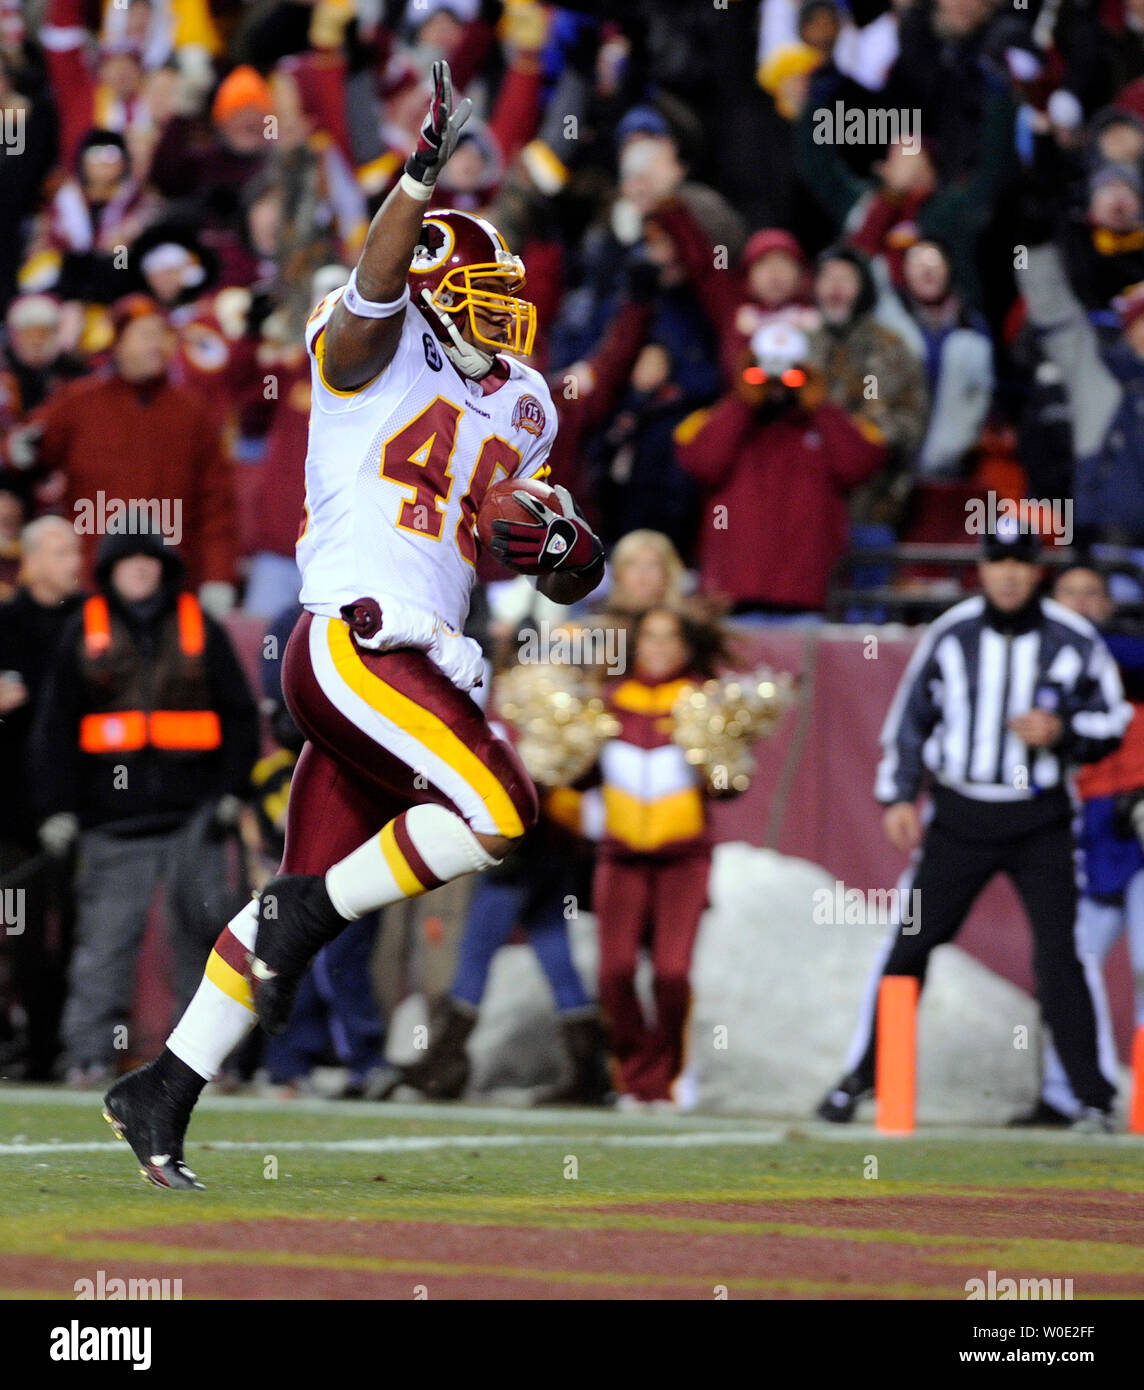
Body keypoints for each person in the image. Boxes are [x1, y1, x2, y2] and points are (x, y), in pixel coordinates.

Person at [102, 62, 605, 1188]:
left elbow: (557, 561)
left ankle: (160, 1090)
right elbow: (378, 285)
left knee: (300, 915)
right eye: (474, 287)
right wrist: (416, 181)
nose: (500, 311)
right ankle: (298, 911)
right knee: (499, 811)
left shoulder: (520, 402)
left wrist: (569, 552)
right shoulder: (369, 342)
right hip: (357, 638)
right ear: (427, 281)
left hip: (424, 653)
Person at [816, 524, 1132, 1132]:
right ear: (981, 569)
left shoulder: (1072, 637)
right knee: (910, 944)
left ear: (1037, 570)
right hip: (960, 814)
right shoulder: (951, 632)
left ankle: (1092, 1097)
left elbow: (1112, 719)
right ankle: (862, 1077)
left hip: (1041, 815)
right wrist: (900, 796)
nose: (1009, 573)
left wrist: (1062, 732)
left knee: (1060, 955)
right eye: (998, 561)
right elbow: (911, 719)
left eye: (1020, 561)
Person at [30, 521, 259, 1087]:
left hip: (195, 819)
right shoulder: (82, 630)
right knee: (105, 943)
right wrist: (56, 808)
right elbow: (55, 727)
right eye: (128, 561)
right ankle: (87, 1057)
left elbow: (238, 715)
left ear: (164, 569)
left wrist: (233, 791)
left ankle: (206, 1062)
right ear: (109, 571)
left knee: (205, 942)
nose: (140, 569)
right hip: (110, 820)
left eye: (149, 560)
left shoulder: (199, 626)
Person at [1014, 563, 1144, 1125]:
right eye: (1072, 593)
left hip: (1136, 828)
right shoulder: (1034, 655)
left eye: (1094, 593)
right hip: (1080, 831)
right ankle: (1066, 1093)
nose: (1084, 603)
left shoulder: (1122, 652)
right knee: (1069, 963)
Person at [0, 517, 83, 1080]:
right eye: (58, 552)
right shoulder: (5, 623)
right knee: (21, 929)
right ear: (29, 560)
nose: (72, 561)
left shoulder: (90, 623)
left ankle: (57, 1047)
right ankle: (26, 1046)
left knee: (75, 930)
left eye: (74, 550)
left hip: (76, 807)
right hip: (9, 807)